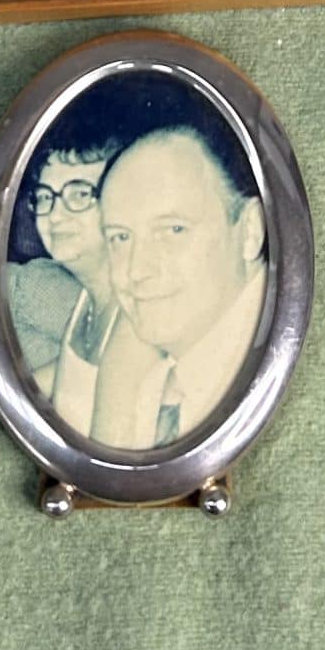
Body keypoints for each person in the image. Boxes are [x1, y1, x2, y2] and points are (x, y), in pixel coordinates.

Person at [85, 125, 267, 449]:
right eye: (120, 237)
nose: (137, 270)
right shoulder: (155, 390)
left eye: (173, 230)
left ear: (250, 231)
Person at [6, 139, 122, 435]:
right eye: (45, 197)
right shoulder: (85, 300)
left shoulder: (36, 287)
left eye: (80, 193)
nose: (56, 215)